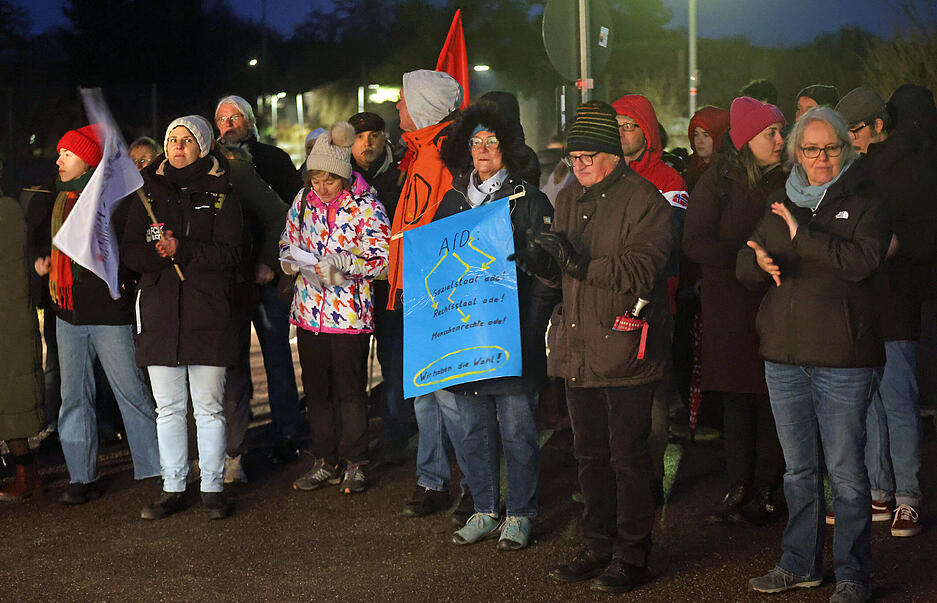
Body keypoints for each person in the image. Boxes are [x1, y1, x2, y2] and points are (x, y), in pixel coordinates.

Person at [739, 107, 888, 602]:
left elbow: (861, 263)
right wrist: (758, 261)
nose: (822, 158)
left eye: (831, 148)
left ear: (846, 149)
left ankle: (853, 575)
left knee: (846, 474)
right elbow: (745, 260)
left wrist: (804, 235)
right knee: (798, 471)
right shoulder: (781, 199)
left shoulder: (867, 199)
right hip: (783, 356)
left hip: (843, 358)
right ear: (797, 153)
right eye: (811, 148)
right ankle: (799, 563)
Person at [528, 101, 672, 593]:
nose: (580, 165)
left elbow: (642, 271)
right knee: (588, 455)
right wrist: (541, 263)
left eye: (589, 156)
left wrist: (577, 264)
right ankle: (598, 545)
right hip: (578, 347)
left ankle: (633, 554)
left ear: (613, 155)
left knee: (627, 457)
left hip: (624, 346)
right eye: (574, 158)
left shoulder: (645, 199)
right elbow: (563, 272)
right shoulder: (569, 195)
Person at [432, 101, 554, 550]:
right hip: (466, 339)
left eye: (492, 142)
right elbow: (441, 269)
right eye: (476, 142)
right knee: (472, 430)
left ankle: (520, 514)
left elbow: (547, 277)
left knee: (518, 431)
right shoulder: (452, 201)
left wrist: (529, 327)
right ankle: (484, 508)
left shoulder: (530, 199)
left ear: (508, 149)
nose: (483, 149)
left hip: (513, 338)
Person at [122, 115, 243, 520]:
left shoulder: (223, 192)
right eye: (172, 139)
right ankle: (172, 485)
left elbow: (230, 254)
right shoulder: (146, 194)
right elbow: (131, 253)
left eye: (186, 139)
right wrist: (156, 255)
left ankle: (212, 487)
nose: (177, 145)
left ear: (203, 146)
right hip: (159, 316)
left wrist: (183, 248)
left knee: (208, 407)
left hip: (207, 312)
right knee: (168, 409)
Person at [38, 125, 160, 505]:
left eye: (67, 154)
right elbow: (45, 243)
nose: (59, 160)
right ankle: (81, 476)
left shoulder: (115, 200)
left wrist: (120, 281)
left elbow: (133, 250)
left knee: (132, 393)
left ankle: (157, 469)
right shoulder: (56, 201)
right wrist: (43, 263)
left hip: (109, 313)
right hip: (67, 314)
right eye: (60, 154)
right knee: (73, 397)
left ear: (88, 159)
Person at [836, 86, 937, 537]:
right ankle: (879, 490)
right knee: (869, 402)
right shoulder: (855, 169)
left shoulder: (914, 168)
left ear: (878, 125)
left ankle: (908, 496)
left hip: (895, 298)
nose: (848, 138)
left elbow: (924, 236)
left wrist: (896, 245)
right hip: (862, 300)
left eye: (854, 129)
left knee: (896, 399)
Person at [683, 97, 787, 526]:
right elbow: (694, 242)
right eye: (771, 133)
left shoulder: (790, 182)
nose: (781, 141)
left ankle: (767, 487)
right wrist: (747, 256)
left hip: (774, 305)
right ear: (747, 139)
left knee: (772, 399)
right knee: (738, 400)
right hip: (729, 307)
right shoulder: (719, 181)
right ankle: (739, 485)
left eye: (782, 132)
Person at [281, 122, 390, 495]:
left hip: (350, 316)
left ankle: (356, 462)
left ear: (343, 176)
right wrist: (291, 260)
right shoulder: (301, 202)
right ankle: (325, 459)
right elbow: (287, 241)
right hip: (309, 312)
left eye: (328, 180)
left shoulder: (366, 205)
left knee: (350, 392)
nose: (321, 188)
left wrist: (342, 262)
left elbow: (383, 258)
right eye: (315, 180)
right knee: (317, 392)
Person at [384, 70, 466, 518]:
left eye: (403, 99)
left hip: (436, 296)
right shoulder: (420, 154)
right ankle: (432, 481)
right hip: (417, 293)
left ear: (423, 109)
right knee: (425, 395)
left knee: (450, 397)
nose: (397, 106)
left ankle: (472, 484)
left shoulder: (441, 158)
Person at [214, 95, 304, 463]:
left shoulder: (273, 160)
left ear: (251, 121)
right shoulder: (212, 163)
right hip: (229, 279)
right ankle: (236, 436)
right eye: (222, 118)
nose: (229, 124)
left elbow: (289, 215)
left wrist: (270, 261)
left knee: (277, 356)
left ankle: (288, 431)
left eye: (236, 117)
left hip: (266, 277)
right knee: (230, 362)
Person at [610, 94, 689, 495]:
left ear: (647, 131)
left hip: (654, 303)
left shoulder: (669, 181)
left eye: (630, 125)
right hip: (607, 299)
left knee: (652, 396)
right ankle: (617, 481)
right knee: (613, 397)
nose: (623, 133)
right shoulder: (602, 175)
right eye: (618, 125)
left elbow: (669, 245)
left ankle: (651, 480)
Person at [347, 112, 409, 464]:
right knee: (350, 368)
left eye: (373, 135)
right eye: (359, 137)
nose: (366, 143)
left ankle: (394, 437)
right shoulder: (337, 173)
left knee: (394, 362)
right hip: (348, 289)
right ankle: (354, 442)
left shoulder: (401, 174)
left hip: (391, 286)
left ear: (385, 137)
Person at [0, 194, 44, 501]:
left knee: (11, 396)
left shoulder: (7, 211)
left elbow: (12, 269)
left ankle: (25, 472)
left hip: (7, 318)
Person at [685, 106, 730, 192]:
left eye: (706, 135)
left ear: (719, 138)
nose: (700, 141)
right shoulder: (690, 168)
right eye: (696, 134)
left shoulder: (728, 173)